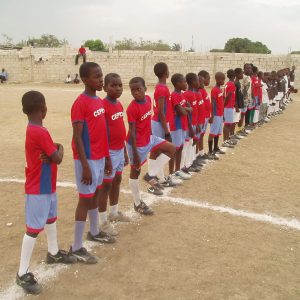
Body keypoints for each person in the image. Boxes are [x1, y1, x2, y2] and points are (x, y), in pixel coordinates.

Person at [17, 91, 76, 295]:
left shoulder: (36, 129)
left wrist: (55, 150)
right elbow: (57, 157)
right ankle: (22, 272)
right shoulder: (39, 132)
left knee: (51, 219)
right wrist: (59, 148)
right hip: (38, 187)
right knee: (33, 229)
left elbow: (52, 154)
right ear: (43, 108)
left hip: (46, 184)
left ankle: (53, 252)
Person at [70, 62, 115, 265]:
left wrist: (106, 157)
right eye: (97, 76)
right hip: (86, 160)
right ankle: (77, 246)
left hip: (98, 157)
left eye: (101, 75)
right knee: (85, 199)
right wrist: (86, 165)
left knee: (96, 194)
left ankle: (94, 231)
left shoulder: (98, 101)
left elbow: (102, 132)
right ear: (85, 79)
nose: (101, 79)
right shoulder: (80, 103)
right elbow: (77, 137)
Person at [126, 77, 175, 206]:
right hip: (136, 144)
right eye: (133, 90)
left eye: (138, 89)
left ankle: (150, 175)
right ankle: (137, 203)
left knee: (171, 148)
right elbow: (131, 132)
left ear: (145, 89)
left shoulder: (147, 99)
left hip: (149, 138)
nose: (136, 92)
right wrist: (135, 154)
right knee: (135, 172)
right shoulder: (132, 108)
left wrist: (152, 136)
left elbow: (146, 121)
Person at [98, 73, 131, 237]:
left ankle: (114, 212)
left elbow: (120, 130)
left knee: (117, 180)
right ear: (105, 87)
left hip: (119, 150)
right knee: (106, 186)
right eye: (113, 85)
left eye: (120, 85)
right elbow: (102, 134)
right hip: (109, 152)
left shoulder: (119, 105)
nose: (117, 88)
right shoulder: (103, 106)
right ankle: (103, 222)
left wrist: (124, 151)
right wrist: (106, 157)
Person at [148, 62, 181, 187]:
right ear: (165, 73)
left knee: (158, 150)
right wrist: (167, 131)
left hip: (160, 122)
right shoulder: (162, 88)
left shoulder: (161, 87)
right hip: (159, 122)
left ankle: (159, 177)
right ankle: (155, 176)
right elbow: (161, 112)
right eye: (168, 69)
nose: (169, 71)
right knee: (160, 149)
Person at [168, 73, 192, 180]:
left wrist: (185, 109)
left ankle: (177, 170)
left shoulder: (181, 95)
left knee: (180, 148)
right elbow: (184, 112)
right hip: (176, 126)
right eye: (184, 81)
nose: (186, 83)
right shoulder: (174, 95)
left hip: (183, 125)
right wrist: (186, 109)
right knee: (174, 149)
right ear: (178, 83)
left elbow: (187, 109)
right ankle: (171, 172)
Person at [183, 73, 202, 172]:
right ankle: (185, 166)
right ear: (192, 82)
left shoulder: (193, 93)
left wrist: (198, 123)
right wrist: (190, 127)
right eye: (197, 80)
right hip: (188, 125)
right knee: (186, 145)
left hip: (194, 123)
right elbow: (186, 113)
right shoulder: (186, 94)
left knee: (191, 143)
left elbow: (196, 110)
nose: (199, 82)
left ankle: (190, 163)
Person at [208, 72, 226, 159]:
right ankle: (210, 151)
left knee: (218, 133)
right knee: (212, 133)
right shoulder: (214, 90)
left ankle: (215, 148)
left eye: (224, 79)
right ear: (217, 80)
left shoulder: (220, 89)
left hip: (220, 114)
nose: (223, 81)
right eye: (222, 79)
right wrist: (212, 115)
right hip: (215, 115)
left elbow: (221, 103)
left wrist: (223, 114)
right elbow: (213, 103)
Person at [198, 70, 212, 160]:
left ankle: (201, 152)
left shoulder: (203, 89)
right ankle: (199, 154)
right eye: (208, 79)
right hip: (202, 117)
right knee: (200, 135)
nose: (209, 81)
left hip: (206, 116)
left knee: (202, 134)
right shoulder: (199, 91)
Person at [222, 69, 237, 147]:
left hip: (228, 106)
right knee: (227, 124)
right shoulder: (231, 85)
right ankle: (225, 141)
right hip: (228, 106)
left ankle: (227, 140)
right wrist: (223, 106)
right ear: (234, 76)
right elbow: (228, 96)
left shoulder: (228, 83)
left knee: (228, 124)